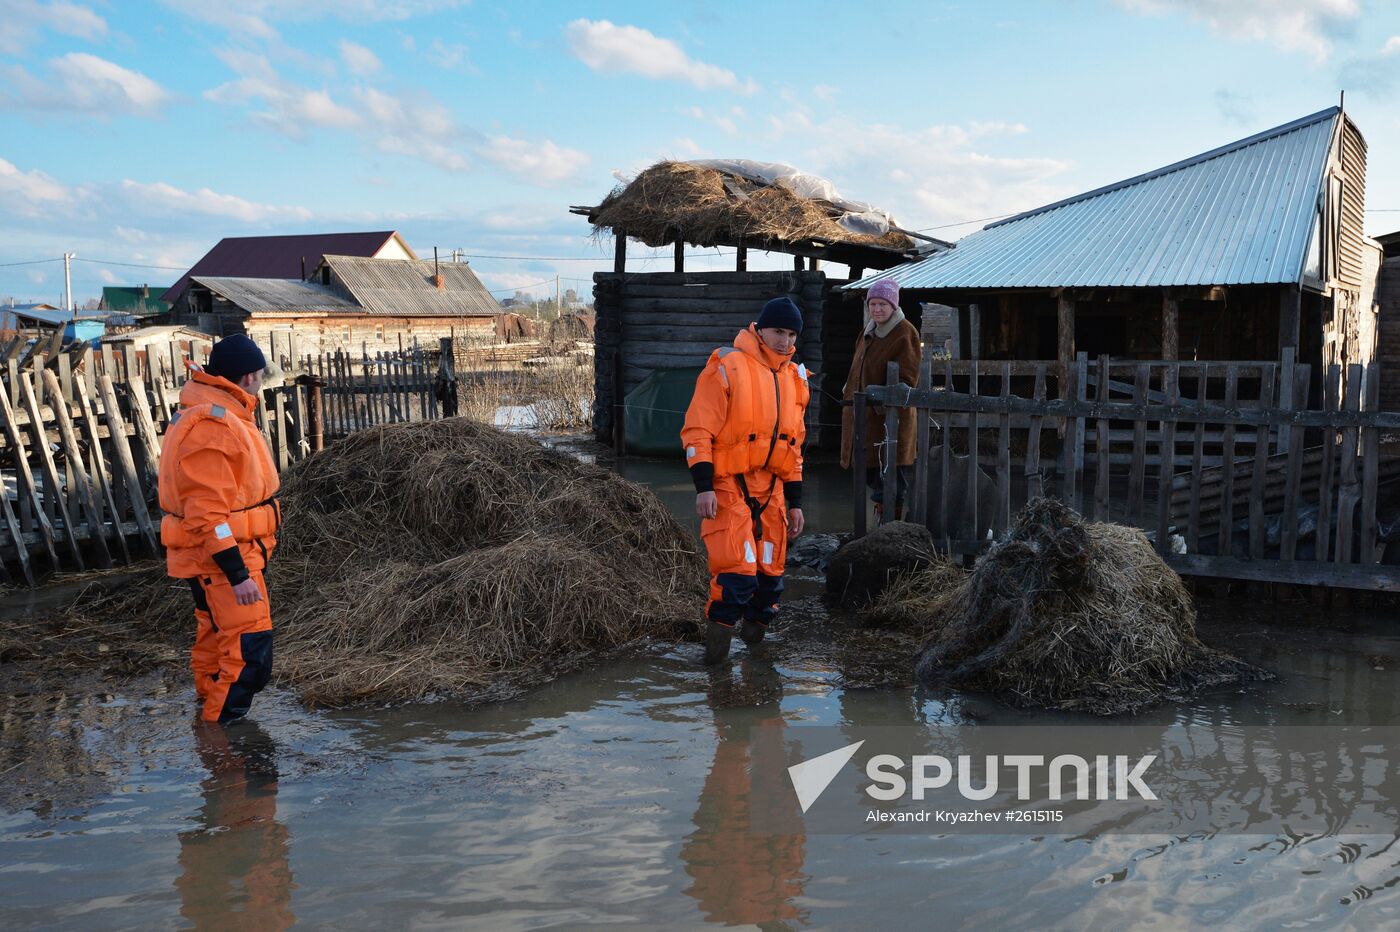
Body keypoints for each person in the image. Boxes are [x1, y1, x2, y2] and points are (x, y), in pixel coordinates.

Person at [158, 334, 281, 723]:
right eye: (260, 375)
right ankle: (224, 745)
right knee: (249, 655)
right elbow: (207, 514)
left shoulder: (221, 414)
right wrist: (237, 573)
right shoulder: (212, 426)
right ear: (247, 378)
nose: (260, 383)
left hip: (226, 555)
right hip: (224, 560)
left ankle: (208, 733)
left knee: (217, 644)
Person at [682, 297, 811, 665]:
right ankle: (715, 669)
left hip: (772, 492)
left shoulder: (796, 380)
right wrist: (703, 486)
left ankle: (758, 667)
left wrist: (796, 501)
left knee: (769, 584)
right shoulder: (727, 366)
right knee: (736, 579)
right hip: (726, 485)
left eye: (791, 334)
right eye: (778, 332)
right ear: (760, 328)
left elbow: (795, 445)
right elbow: (696, 431)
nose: (785, 341)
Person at [840, 278, 920, 521]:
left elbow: (907, 378)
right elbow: (857, 368)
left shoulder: (905, 332)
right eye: (872, 304)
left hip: (889, 422)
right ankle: (880, 522)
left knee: (892, 476)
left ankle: (890, 527)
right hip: (864, 419)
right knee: (872, 473)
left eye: (882, 304)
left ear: (893, 306)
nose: (876, 309)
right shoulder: (868, 331)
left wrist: (883, 404)